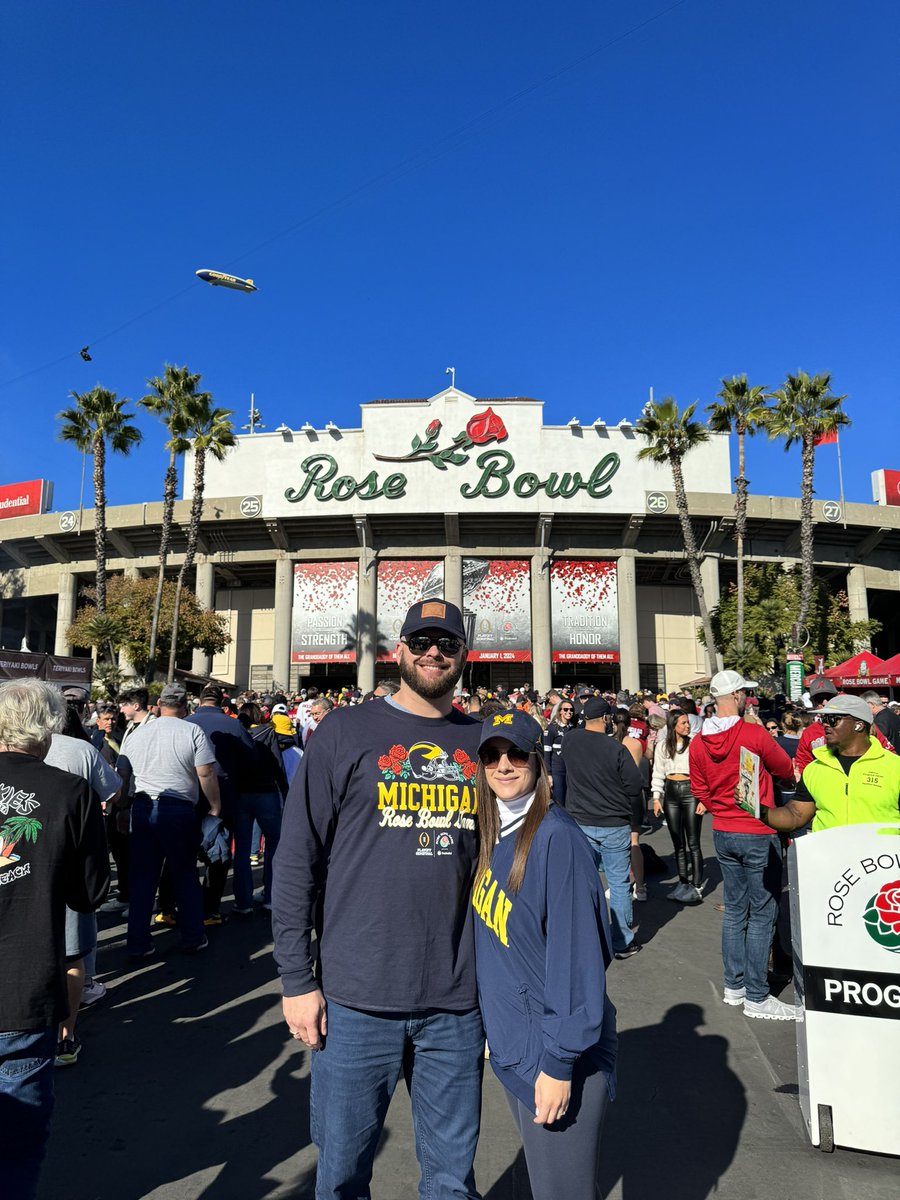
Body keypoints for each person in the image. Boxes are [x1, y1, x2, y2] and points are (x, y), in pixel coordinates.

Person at [273, 600, 484, 1199]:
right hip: (354, 997)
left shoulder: (484, 743)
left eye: (446, 643)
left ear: (465, 655)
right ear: (398, 650)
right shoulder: (346, 732)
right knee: (340, 1175)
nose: (433, 653)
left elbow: (509, 869)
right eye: (421, 641)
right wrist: (295, 980)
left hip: (456, 1003)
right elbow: (295, 861)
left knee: (450, 1180)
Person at [473, 710, 616, 1200]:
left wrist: (558, 1064)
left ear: (539, 761)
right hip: (517, 1046)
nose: (505, 765)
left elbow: (579, 961)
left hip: (553, 1057)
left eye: (517, 754)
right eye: (493, 755)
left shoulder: (557, 838)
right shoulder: (493, 830)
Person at [0, 679, 109, 1199]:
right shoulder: (71, 792)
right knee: (16, 1150)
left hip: (26, 991)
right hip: (24, 990)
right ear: (49, 728)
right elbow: (89, 894)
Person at [689, 670, 795, 1020]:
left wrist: (721, 807)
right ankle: (757, 994)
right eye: (744, 695)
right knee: (763, 912)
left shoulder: (697, 742)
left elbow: (699, 789)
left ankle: (735, 987)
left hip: (723, 829)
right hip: (757, 830)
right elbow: (784, 768)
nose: (749, 699)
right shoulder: (753, 733)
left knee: (735, 911)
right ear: (735, 696)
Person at [118, 682, 221, 958]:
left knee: (142, 879)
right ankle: (192, 937)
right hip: (178, 810)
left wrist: (122, 806)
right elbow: (206, 773)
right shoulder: (192, 730)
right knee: (185, 875)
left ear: (158, 705)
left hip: (142, 806)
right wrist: (214, 806)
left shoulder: (137, 733)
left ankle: (138, 944)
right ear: (185, 706)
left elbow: (123, 774)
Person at [560, 697, 644, 959]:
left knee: (583, 884)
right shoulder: (615, 748)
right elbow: (634, 785)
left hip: (579, 820)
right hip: (613, 823)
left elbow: (562, 771)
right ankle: (621, 941)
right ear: (607, 718)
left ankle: (585, 939)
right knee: (618, 884)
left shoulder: (570, 740)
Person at [753, 694, 900, 833]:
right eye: (824, 719)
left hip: (880, 858)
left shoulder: (894, 767)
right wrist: (756, 808)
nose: (825, 725)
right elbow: (795, 815)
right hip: (831, 857)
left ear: (859, 725)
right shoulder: (815, 768)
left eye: (833, 719)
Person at [651, 709, 705, 903]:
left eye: (688, 723)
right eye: (683, 723)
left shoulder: (695, 745)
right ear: (673, 725)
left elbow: (703, 772)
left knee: (693, 842)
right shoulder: (663, 747)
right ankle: (683, 883)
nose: (687, 726)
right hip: (671, 791)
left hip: (691, 791)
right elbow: (657, 772)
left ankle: (697, 885)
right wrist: (656, 797)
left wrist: (703, 800)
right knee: (677, 842)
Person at [542, 696, 576, 804]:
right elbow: (546, 753)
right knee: (559, 802)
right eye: (565, 709)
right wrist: (548, 774)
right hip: (557, 771)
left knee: (570, 802)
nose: (569, 712)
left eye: (571, 710)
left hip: (570, 771)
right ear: (560, 711)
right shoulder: (552, 728)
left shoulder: (573, 728)